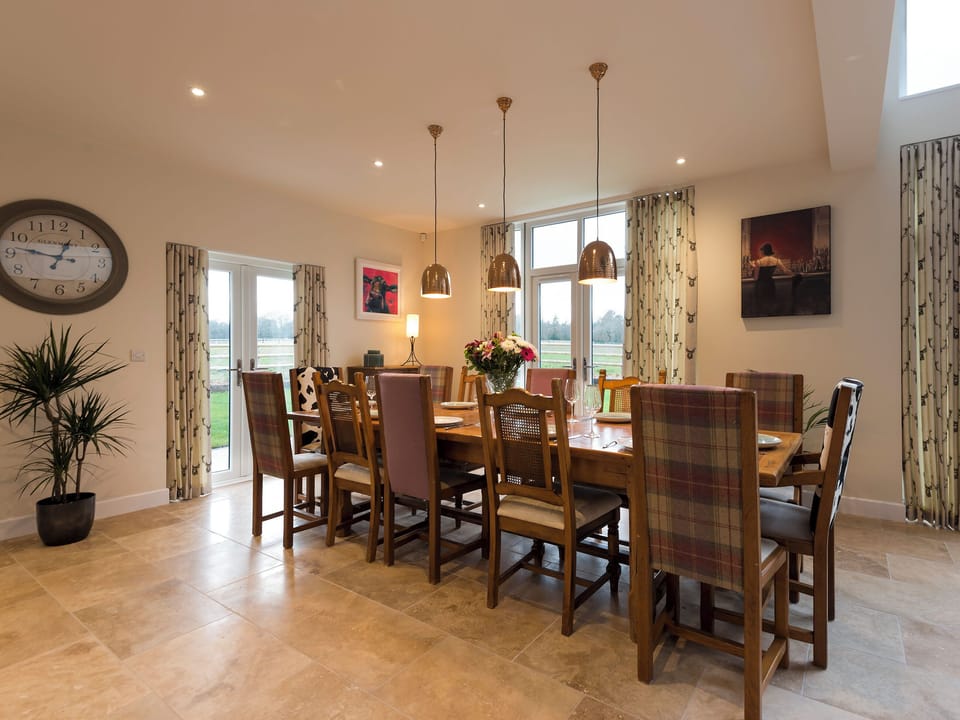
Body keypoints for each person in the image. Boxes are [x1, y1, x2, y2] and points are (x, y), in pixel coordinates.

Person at [750, 243, 792, 314]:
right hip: (770, 285)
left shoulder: (759, 262)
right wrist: (794, 274)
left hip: (761, 286)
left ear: (763, 252)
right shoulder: (777, 260)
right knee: (771, 304)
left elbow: (756, 278)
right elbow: (786, 271)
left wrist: (754, 267)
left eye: (762, 251)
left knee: (761, 306)